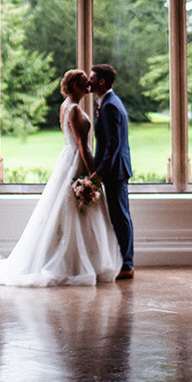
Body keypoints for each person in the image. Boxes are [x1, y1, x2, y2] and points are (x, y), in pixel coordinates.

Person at [0, 69, 122, 286]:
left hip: (68, 159)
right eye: (83, 82)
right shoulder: (73, 110)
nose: (87, 85)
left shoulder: (67, 107)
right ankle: (73, 263)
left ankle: (82, 260)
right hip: (75, 161)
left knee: (70, 211)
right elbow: (81, 145)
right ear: (73, 86)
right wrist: (92, 175)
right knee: (72, 211)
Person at [87, 63, 134, 279]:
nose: (89, 80)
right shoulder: (106, 103)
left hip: (115, 171)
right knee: (118, 215)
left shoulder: (110, 106)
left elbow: (113, 145)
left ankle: (127, 264)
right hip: (113, 169)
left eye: (92, 77)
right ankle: (124, 261)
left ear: (101, 81)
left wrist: (101, 172)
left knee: (120, 216)